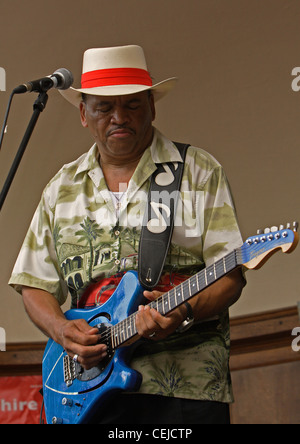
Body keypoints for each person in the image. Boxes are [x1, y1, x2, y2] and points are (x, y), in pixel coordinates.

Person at [9, 45, 246, 424]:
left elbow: (230, 275)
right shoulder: (61, 187)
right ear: (84, 114)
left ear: (152, 106)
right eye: (104, 107)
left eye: (132, 105)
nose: (119, 117)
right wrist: (62, 329)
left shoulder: (197, 171)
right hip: (85, 390)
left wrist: (184, 309)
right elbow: (34, 282)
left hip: (183, 388)